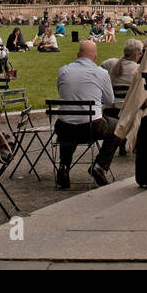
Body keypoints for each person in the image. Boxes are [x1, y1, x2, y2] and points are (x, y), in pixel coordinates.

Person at [54, 40, 122, 188]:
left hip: (64, 128)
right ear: (95, 57)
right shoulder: (101, 73)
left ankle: (64, 166)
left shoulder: (63, 71)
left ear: (78, 55)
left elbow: (62, 91)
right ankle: (100, 165)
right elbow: (109, 100)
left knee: (70, 122)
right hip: (91, 127)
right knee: (119, 127)